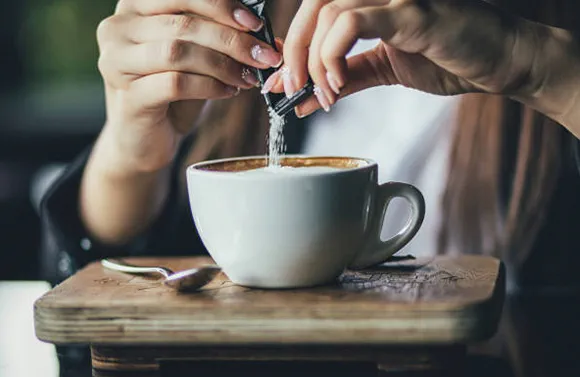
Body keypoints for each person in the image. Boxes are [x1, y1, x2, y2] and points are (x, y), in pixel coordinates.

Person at [40, 0, 580, 296]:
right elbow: (87, 297)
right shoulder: (252, 33)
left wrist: (538, 70)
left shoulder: (546, 36)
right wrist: (132, 156)